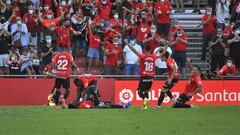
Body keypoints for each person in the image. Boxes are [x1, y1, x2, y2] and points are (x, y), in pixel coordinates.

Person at [124, 39, 168, 110]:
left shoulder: (142, 56)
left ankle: (145, 99)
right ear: (150, 50)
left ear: (144, 50)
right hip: (151, 77)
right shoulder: (153, 57)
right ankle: (145, 106)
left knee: (139, 91)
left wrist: (127, 43)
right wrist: (166, 45)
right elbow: (163, 54)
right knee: (147, 91)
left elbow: (134, 50)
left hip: (144, 76)